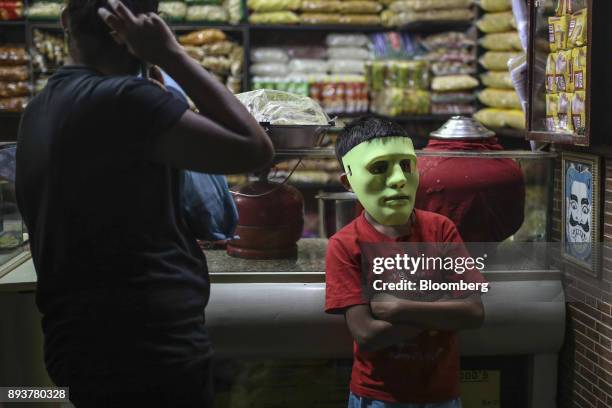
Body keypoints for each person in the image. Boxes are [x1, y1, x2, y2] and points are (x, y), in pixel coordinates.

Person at [15, 0, 273, 407]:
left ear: (65, 21)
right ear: (149, 28)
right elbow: (255, 150)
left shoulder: (39, 109)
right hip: (149, 353)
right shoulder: (125, 100)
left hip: (77, 346)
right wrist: (171, 55)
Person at [325, 117, 486, 408]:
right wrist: (440, 306)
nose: (399, 179)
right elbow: (367, 334)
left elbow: (473, 313)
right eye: (379, 167)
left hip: (441, 393)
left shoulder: (441, 229)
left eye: (407, 165)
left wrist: (400, 308)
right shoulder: (346, 244)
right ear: (349, 181)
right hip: (376, 396)